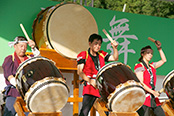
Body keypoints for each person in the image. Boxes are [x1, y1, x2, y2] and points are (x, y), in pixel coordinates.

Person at [77, 33, 119, 116]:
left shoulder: (102, 54)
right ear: (90, 43)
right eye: (95, 43)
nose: (98, 46)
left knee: (105, 112)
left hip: (101, 87)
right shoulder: (83, 54)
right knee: (85, 111)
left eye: (99, 44)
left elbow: (115, 58)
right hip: (90, 87)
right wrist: (90, 81)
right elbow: (80, 72)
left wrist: (115, 48)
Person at [2, 36, 40, 116]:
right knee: (8, 114)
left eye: (25, 47)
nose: (23, 49)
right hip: (14, 93)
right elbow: (9, 76)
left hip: (27, 94)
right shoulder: (9, 59)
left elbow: (39, 61)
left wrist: (34, 48)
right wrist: (19, 84)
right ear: (15, 46)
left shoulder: (30, 58)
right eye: (21, 46)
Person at [134, 40, 167, 116]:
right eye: (148, 53)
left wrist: (159, 48)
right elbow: (141, 83)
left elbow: (164, 60)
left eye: (151, 53)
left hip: (153, 97)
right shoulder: (139, 66)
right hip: (144, 98)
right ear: (142, 54)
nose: (150, 55)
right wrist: (153, 92)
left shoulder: (152, 66)